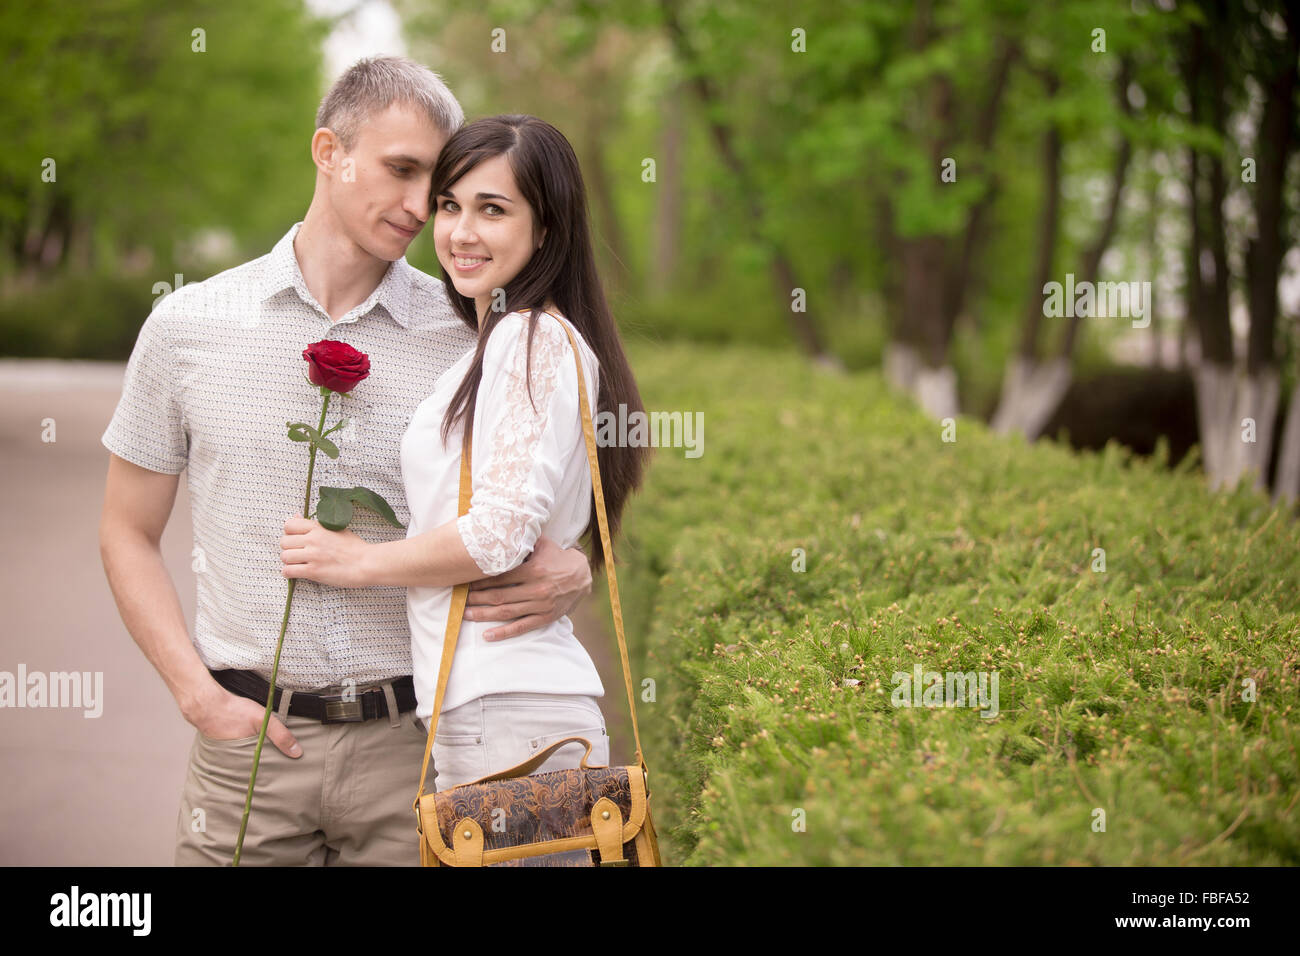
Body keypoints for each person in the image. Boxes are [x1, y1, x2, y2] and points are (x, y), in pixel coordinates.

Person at [98, 57, 595, 866]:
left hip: (420, 748)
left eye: (434, 185)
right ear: (329, 151)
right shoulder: (189, 325)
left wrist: (581, 564)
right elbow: (125, 530)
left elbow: (545, 487)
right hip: (248, 750)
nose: (417, 208)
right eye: (401, 171)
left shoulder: (475, 329)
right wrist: (196, 693)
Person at [279, 114, 651, 792]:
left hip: (506, 708)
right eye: (449, 205)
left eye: (493, 209)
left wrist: (358, 561)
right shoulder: (503, 342)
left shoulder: (528, 338)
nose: (460, 232)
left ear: (546, 228)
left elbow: (500, 532)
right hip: (497, 706)